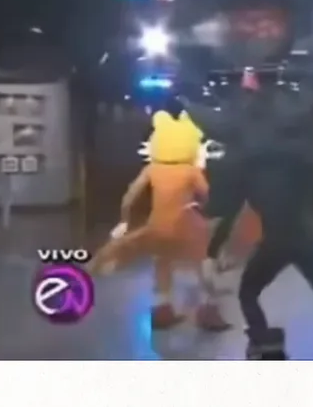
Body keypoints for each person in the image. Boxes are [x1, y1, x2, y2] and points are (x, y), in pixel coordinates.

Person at [185, 69, 313, 360]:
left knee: (248, 292)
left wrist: (208, 222)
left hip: (275, 242)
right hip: (304, 237)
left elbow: (227, 207)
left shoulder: (246, 165)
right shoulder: (300, 157)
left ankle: (263, 339)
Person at [88, 110, 230, 331]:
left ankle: (162, 310)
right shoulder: (191, 171)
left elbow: (129, 198)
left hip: (157, 226)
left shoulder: (152, 169)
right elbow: (206, 196)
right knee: (201, 265)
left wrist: (124, 221)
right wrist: (205, 211)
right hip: (186, 225)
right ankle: (208, 312)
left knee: (162, 263)